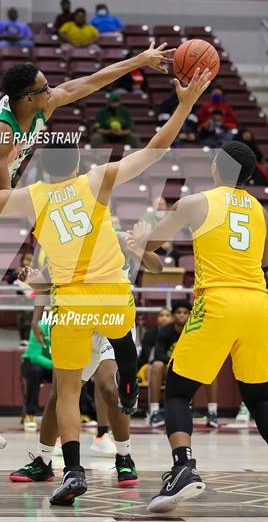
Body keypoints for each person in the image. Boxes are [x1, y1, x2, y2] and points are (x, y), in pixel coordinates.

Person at [0, 44, 176, 451]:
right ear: (26, 98)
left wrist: (138, 61)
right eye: (43, 87)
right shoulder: (0, 132)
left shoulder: (41, 106)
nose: (52, 89)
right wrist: (43, 211)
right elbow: (0, 192)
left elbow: (88, 83)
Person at [0, 67, 212, 505]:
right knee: (121, 337)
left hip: (70, 302)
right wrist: (184, 105)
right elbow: (156, 151)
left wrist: (3, 160)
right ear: (80, 163)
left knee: (65, 391)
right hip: (111, 295)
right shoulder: (95, 180)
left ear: (40, 172)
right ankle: (129, 376)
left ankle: (75, 470)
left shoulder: (33, 198)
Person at [137, 141, 268, 513]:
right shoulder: (258, 209)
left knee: (177, 391)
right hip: (259, 303)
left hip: (219, 301)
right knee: (259, 398)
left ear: (217, 166)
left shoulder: (197, 202)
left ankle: (183, 469)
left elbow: (154, 243)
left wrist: (138, 239)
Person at [11, 232, 162, 486]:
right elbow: (46, 284)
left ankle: (124, 457)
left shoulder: (116, 238)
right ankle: (43, 460)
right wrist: (33, 283)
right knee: (60, 394)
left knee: (108, 387)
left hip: (110, 323)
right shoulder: (66, 243)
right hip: (78, 321)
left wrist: (140, 250)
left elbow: (157, 267)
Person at [21, 318, 53, 431]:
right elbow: (35, 357)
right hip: (33, 362)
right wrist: (56, 365)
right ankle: (30, 414)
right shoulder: (40, 325)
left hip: (55, 365)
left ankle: (83, 413)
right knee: (36, 371)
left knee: (77, 371)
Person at [137, 308, 172, 383]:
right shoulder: (149, 334)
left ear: (172, 319)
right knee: (155, 367)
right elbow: (149, 356)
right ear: (157, 319)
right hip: (149, 364)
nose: (164, 318)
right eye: (161, 315)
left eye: (167, 315)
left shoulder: (176, 333)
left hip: (169, 364)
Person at [141, 197, 180, 265]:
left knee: (178, 257)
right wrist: (160, 242)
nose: (160, 207)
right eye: (158, 204)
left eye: (162, 204)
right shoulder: (146, 217)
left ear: (166, 207)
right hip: (151, 248)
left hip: (168, 248)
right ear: (153, 206)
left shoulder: (171, 217)